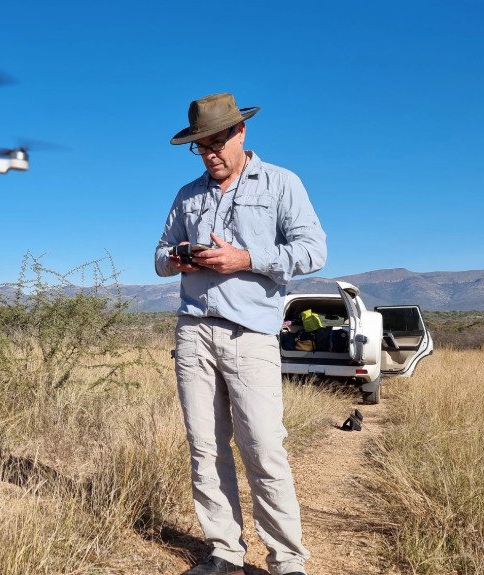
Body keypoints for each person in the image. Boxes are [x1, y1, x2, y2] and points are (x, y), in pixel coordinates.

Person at [154, 93, 327, 575]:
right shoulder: (187, 194)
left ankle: (287, 560)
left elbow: (313, 251)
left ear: (240, 133)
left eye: (217, 142)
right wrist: (177, 258)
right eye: (200, 146)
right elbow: (158, 256)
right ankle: (224, 552)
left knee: (264, 447)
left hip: (250, 335)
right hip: (194, 331)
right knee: (205, 447)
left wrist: (246, 259)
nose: (210, 153)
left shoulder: (280, 183)